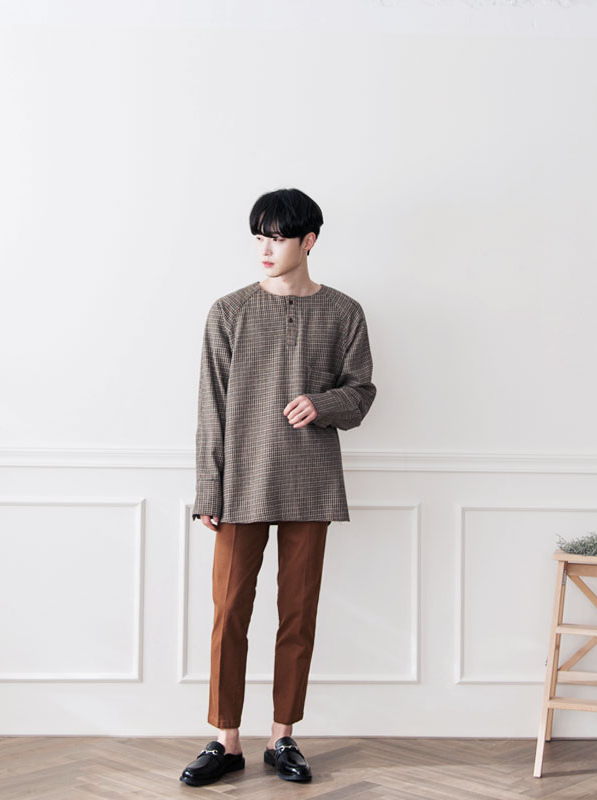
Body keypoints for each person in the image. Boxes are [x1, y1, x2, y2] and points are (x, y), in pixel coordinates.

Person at [179, 188, 377, 787]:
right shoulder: (229, 311)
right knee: (228, 613)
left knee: (298, 614)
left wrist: (322, 403)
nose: (265, 248)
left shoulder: (344, 313)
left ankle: (282, 736)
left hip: (311, 483)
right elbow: (210, 406)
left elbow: (361, 393)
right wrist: (208, 489)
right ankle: (226, 741)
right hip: (241, 483)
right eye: (259, 237)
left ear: (308, 241)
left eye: (278, 237)